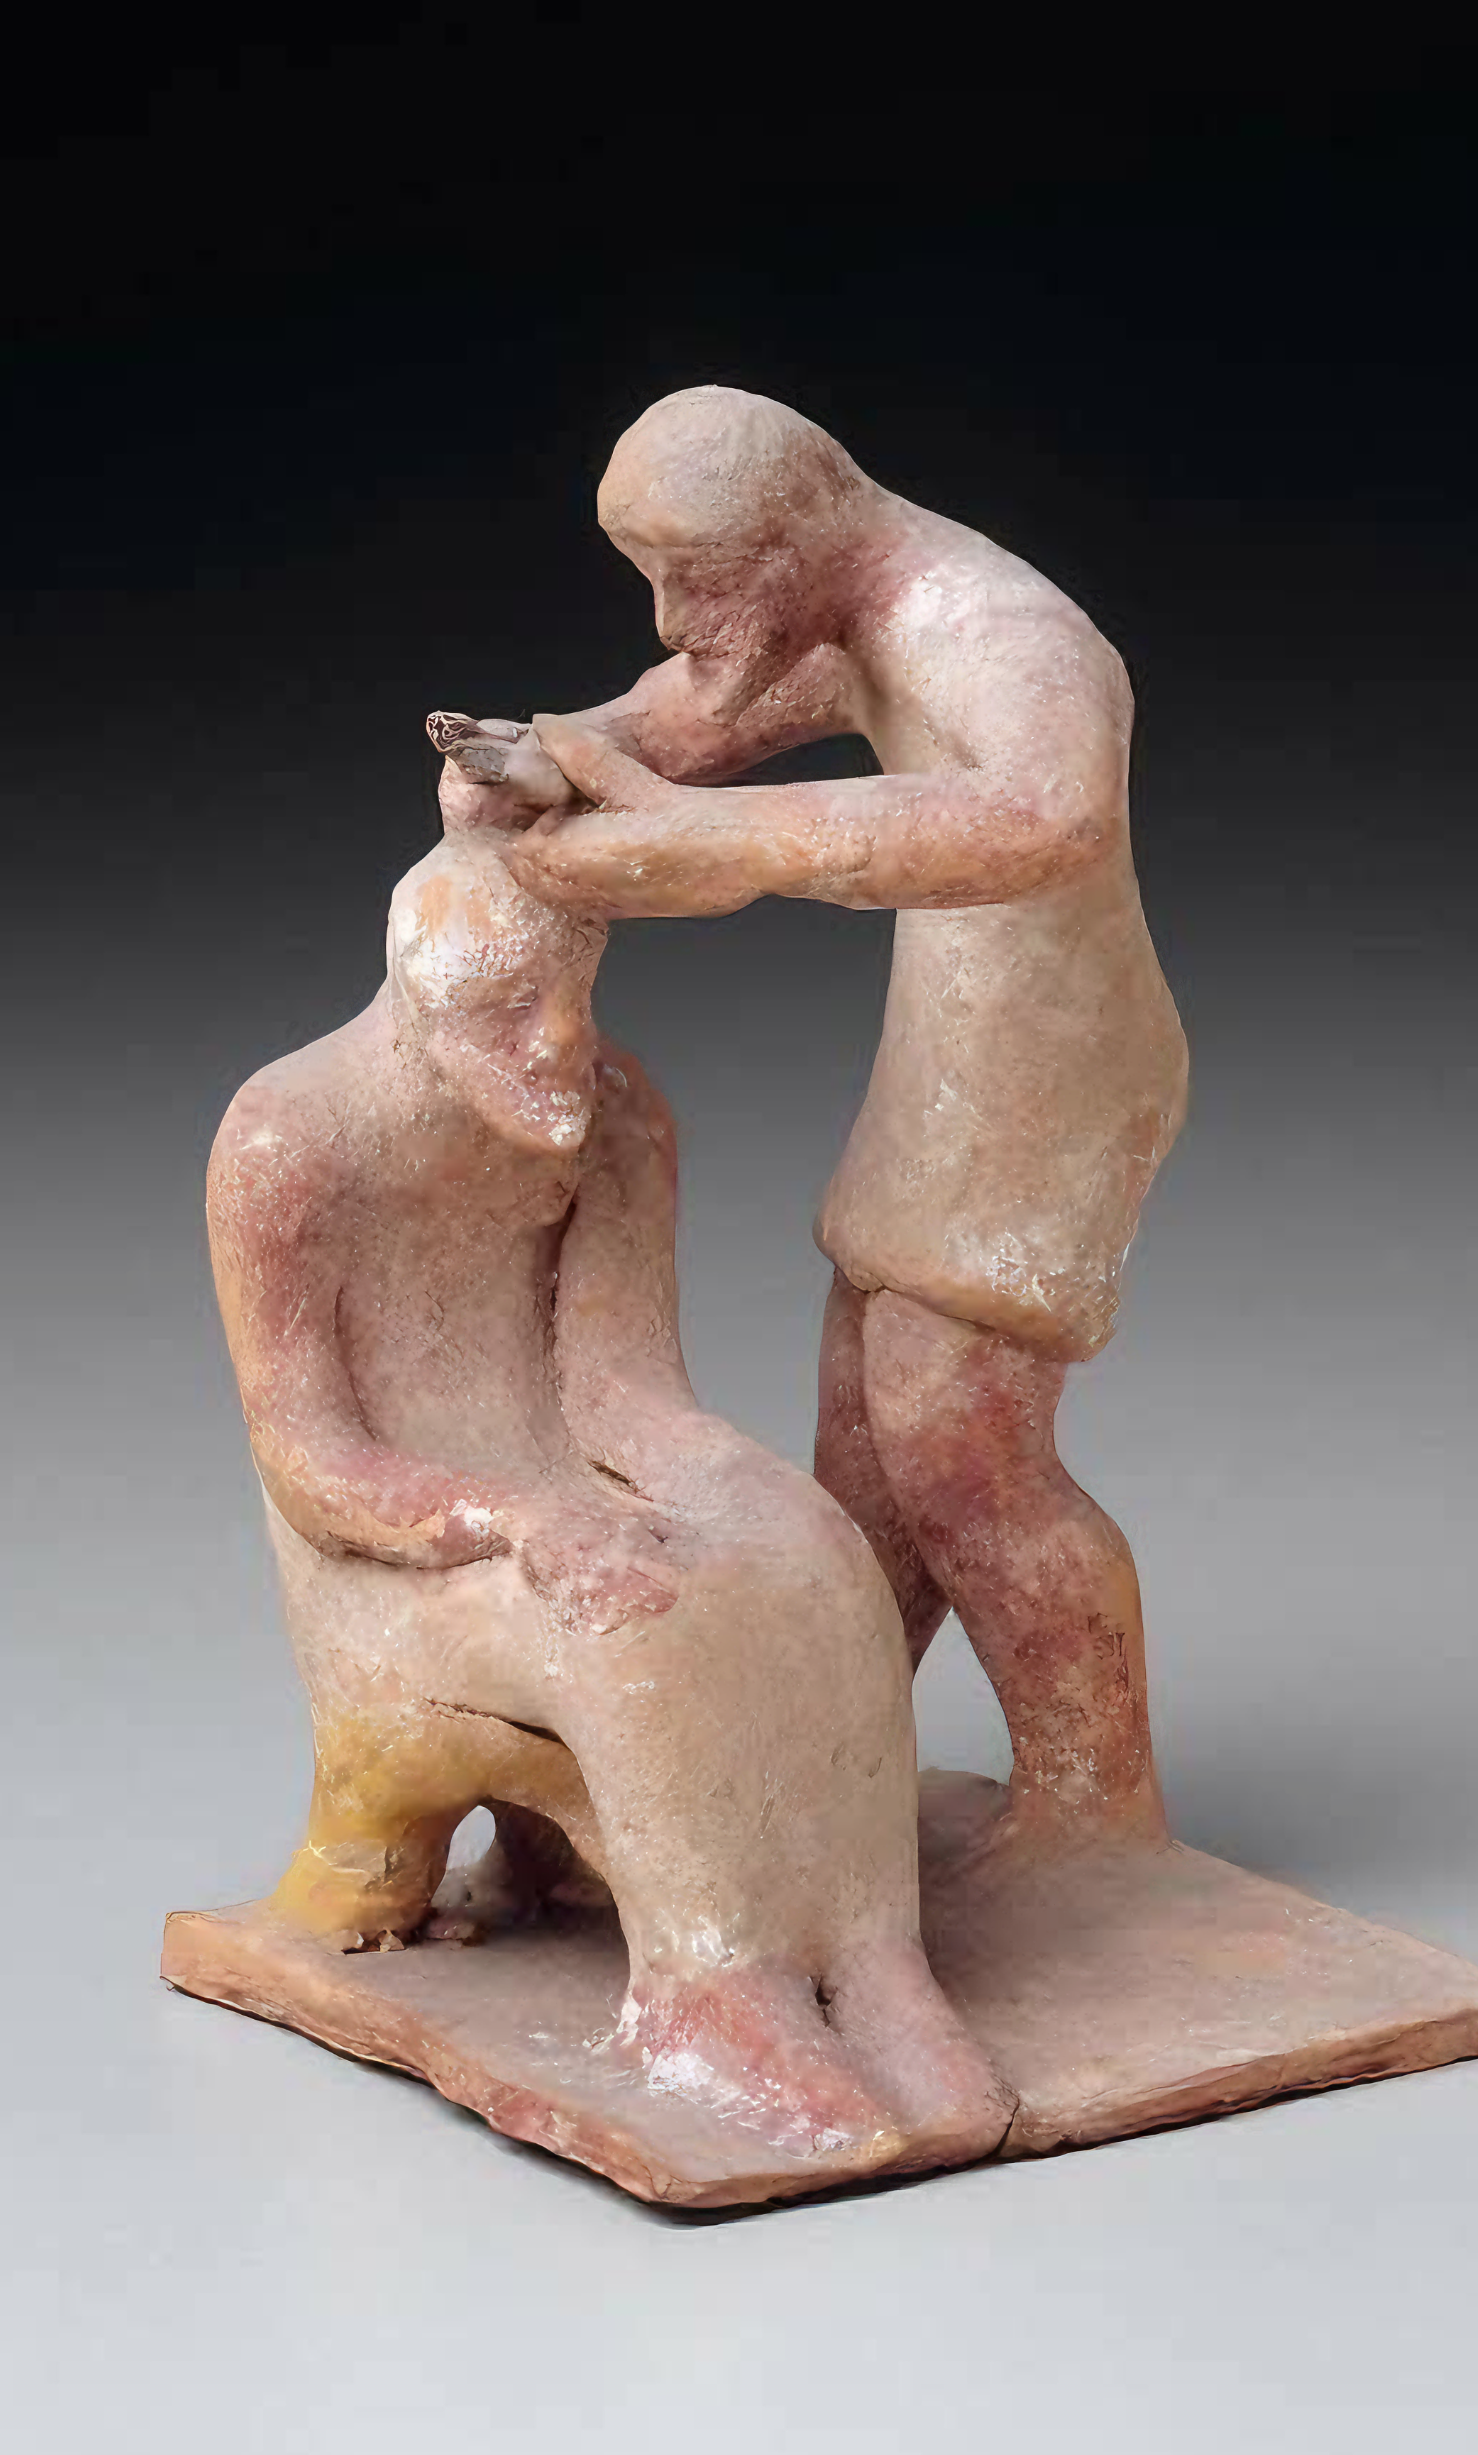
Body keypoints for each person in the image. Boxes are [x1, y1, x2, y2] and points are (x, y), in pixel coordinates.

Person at [204, 712, 1008, 2169]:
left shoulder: (613, 1112)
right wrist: (520, 1522)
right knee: (642, 1637)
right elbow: (311, 1463)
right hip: (404, 1557)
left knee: (824, 1565)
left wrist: (752, 1501)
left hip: (574, 1490)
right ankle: (711, 1990)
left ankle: (874, 1960)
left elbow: (628, 1388)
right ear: (425, 1011)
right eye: (514, 1017)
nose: (560, 1047)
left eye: (573, 1002)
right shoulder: (289, 1144)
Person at [505, 388, 1189, 1836]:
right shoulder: (854, 609)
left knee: (959, 1444)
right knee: (868, 1444)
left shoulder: (1001, 630)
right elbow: (702, 704)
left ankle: (1098, 1815)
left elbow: (1049, 814)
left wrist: (731, 841)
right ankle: (839, 1774)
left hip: (1048, 1084)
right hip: (958, 1068)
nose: (671, 615)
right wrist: (556, 750)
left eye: (694, 576)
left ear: (798, 533)